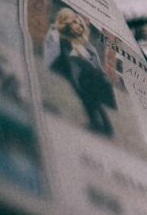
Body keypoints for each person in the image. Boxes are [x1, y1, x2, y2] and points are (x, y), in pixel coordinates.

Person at [43, 8, 114, 136]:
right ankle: (102, 126)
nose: (78, 26)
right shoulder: (65, 39)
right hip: (83, 75)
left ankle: (103, 126)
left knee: (91, 100)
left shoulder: (74, 42)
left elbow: (76, 64)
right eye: (75, 23)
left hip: (85, 76)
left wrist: (76, 80)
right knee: (91, 101)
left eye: (81, 25)